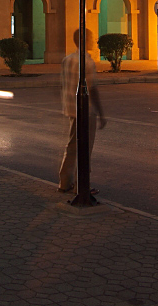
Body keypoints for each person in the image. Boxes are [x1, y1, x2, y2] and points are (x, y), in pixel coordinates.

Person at [58, 28, 106, 194]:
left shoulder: (67, 60)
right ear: (84, 40)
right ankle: (82, 185)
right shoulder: (86, 62)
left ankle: (64, 182)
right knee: (85, 148)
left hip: (71, 109)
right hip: (86, 111)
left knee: (72, 145)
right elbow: (92, 88)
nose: (93, 40)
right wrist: (100, 113)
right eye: (91, 37)